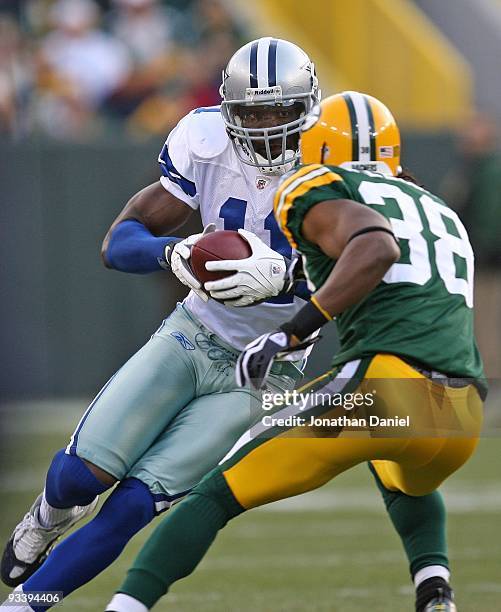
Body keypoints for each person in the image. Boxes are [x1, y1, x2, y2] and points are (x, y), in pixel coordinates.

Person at [1, 40, 453, 609]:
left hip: (265, 369)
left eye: (279, 113)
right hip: (192, 332)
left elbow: (374, 258)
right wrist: (175, 254)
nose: (265, 128)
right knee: (77, 480)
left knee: (135, 507)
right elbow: (119, 242)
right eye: (252, 113)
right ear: (227, 111)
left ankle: (20, 607)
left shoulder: (335, 155)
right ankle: (48, 514)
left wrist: (288, 280)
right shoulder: (204, 139)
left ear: (309, 109)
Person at [104, 92, 485, 612]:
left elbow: (373, 248)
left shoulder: (315, 183)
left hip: (385, 389)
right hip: (460, 415)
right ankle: (434, 589)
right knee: (396, 466)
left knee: (217, 491)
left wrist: (289, 332)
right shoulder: (438, 208)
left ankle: (124, 606)